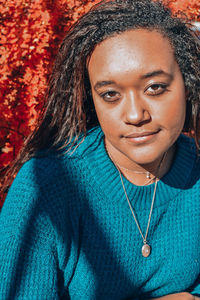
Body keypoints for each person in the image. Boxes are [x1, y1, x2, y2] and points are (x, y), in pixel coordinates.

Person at [0, 0, 199, 299]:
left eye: (155, 88)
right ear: (91, 98)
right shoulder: (46, 189)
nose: (135, 115)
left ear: (188, 84)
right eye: (110, 94)